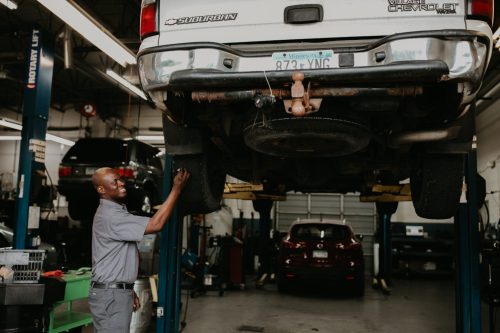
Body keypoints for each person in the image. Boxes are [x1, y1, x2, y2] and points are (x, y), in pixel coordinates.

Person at [88, 166, 190, 332]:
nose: (122, 183)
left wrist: (127, 290)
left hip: (114, 293)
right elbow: (155, 224)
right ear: (101, 189)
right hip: (111, 295)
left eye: (120, 179)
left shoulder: (116, 212)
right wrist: (176, 190)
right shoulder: (111, 216)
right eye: (115, 182)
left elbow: (115, 257)